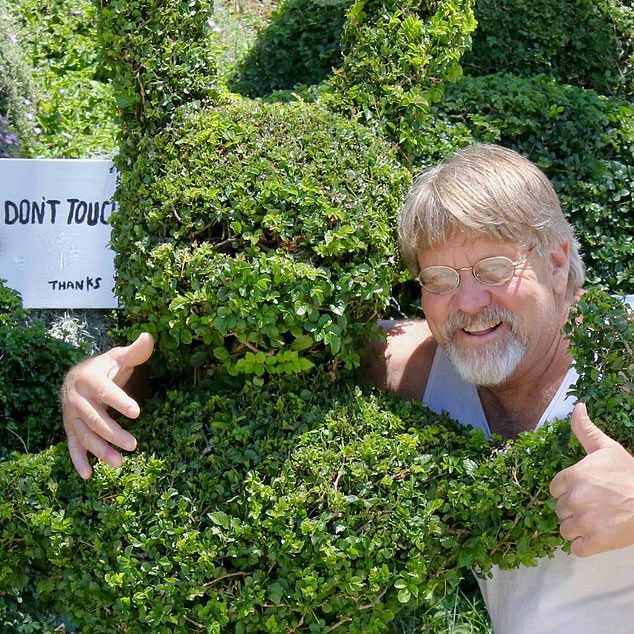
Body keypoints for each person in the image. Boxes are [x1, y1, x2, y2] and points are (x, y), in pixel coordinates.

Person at [62, 143, 634, 633]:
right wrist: (102, 378)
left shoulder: (624, 352)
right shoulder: (416, 368)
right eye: (439, 279)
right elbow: (231, 364)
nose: (468, 302)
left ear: (558, 262)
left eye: (493, 268)